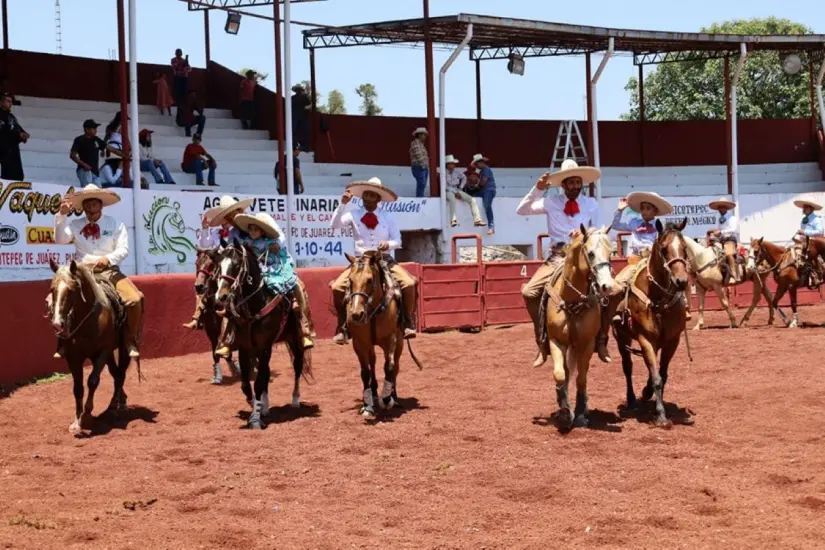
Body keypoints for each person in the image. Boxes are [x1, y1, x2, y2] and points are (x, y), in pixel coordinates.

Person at [516, 159, 608, 368]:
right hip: (558, 257)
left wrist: (585, 234)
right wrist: (537, 189)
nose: (575, 186)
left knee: (609, 290)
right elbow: (522, 210)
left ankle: (602, 341)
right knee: (529, 291)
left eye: (578, 182)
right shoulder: (550, 202)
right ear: (563, 185)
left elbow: (600, 230)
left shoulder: (591, 204)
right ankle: (542, 343)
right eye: (571, 182)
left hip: (584, 258)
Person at [52, 184, 144, 359]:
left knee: (135, 299)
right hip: (81, 272)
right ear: (83, 207)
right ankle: (62, 341)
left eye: (94, 204)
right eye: (87, 205)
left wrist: (108, 259)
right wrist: (61, 215)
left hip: (109, 271)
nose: (91, 208)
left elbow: (124, 249)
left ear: (101, 205)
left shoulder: (116, 224)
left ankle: (129, 339)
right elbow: (60, 239)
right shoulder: (75, 224)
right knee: (56, 298)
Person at [329, 177, 418, 344]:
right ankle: (342, 327)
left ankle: (407, 321)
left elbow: (398, 240)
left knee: (408, 283)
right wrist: (342, 204)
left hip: (384, 259)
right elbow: (334, 226)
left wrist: (388, 244)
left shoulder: (388, 217)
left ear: (378, 198)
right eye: (366, 194)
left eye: (372, 195)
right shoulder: (353, 214)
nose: (368, 198)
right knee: (337, 287)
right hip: (361, 262)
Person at [597, 191, 675, 359]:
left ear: (655, 211)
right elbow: (616, 225)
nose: (645, 211)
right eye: (643, 208)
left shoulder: (659, 225)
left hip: (652, 261)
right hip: (635, 261)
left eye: (648, 208)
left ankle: (681, 308)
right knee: (617, 284)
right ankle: (617, 312)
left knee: (674, 279)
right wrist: (619, 210)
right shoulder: (633, 222)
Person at [231, 212, 314, 350]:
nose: (252, 232)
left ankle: (303, 324)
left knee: (289, 283)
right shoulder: (246, 242)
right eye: (250, 229)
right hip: (256, 270)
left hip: (272, 267)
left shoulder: (272, 242)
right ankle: (229, 333)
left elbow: (279, 252)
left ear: (262, 231)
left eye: (255, 229)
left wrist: (275, 250)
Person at [184, 196, 254, 330]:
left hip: (233, 263)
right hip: (220, 263)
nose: (225, 221)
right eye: (224, 218)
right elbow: (204, 245)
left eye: (228, 217)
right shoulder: (216, 232)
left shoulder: (243, 228)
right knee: (202, 279)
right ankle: (197, 316)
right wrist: (204, 229)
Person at [70, 119, 122, 185]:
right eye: (93, 128)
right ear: (87, 130)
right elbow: (72, 155)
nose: (96, 130)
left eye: (96, 128)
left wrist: (123, 155)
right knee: (88, 191)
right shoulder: (79, 140)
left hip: (95, 172)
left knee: (98, 193)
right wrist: (84, 165)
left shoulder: (96, 139)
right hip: (84, 170)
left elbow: (111, 148)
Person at [443, 154, 485, 228]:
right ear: (447, 165)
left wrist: (461, 187)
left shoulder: (456, 171)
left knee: (472, 200)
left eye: (453, 163)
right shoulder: (443, 173)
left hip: (457, 190)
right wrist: (456, 192)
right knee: (452, 200)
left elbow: (464, 178)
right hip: (448, 191)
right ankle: (453, 220)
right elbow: (445, 186)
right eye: (452, 163)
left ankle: (477, 219)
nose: (454, 165)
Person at [707, 196, 741, 285]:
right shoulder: (720, 219)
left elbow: (734, 230)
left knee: (729, 254)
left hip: (730, 240)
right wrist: (714, 235)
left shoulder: (732, 218)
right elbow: (719, 232)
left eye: (722, 207)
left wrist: (721, 232)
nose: (720, 209)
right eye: (719, 207)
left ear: (726, 208)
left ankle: (734, 276)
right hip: (721, 241)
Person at [0, 92, 29, 180]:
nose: (10, 104)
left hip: (13, 152)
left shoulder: (11, 117)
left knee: (17, 176)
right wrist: (18, 135)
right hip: (3, 152)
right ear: (1, 102)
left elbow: (19, 130)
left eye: (11, 102)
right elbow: (3, 132)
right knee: (6, 177)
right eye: (8, 101)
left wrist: (24, 135)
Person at [471, 153, 496, 235]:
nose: (477, 166)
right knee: (472, 198)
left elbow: (483, 182)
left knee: (487, 205)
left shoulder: (486, 170)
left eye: (477, 164)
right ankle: (477, 219)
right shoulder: (482, 171)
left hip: (488, 190)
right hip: (484, 190)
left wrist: (476, 186)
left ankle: (491, 227)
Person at [409, 127, 429, 198]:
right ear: (419, 135)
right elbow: (419, 155)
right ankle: (419, 199)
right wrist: (424, 165)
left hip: (422, 166)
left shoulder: (421, 144)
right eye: (424, 134)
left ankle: (420, 198)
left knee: (422, 184)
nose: (425, 136)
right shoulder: (415, 143)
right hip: (419, 166)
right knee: (421, 184)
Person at [291, 84, 310, 151]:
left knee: (303, 131)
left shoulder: (302, 98)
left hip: (300, 116)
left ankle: (301, 146)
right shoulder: (293, 98)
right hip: (296, 116)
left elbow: (308, 104)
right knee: (294, 131)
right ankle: (296, 146)